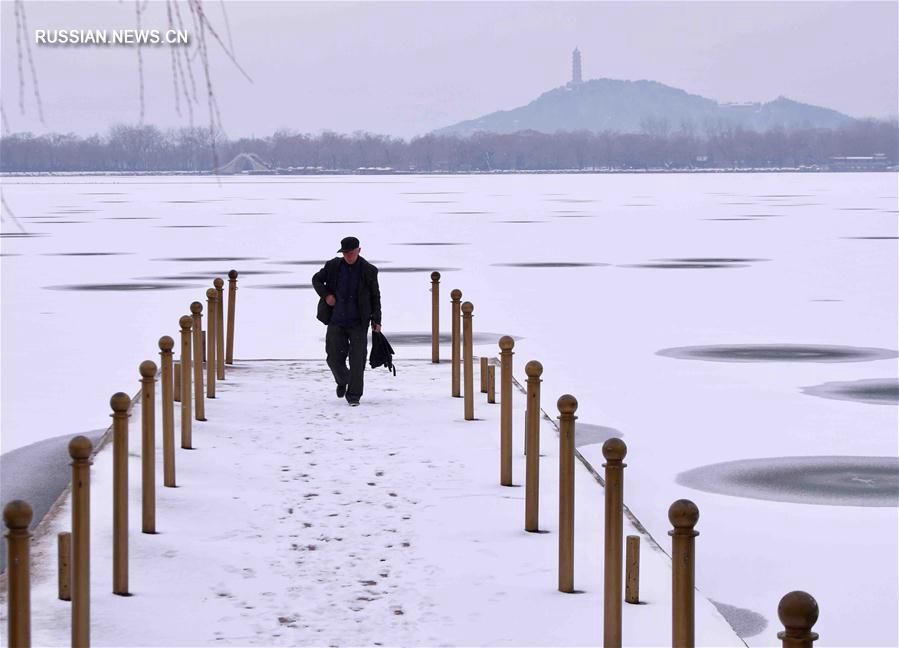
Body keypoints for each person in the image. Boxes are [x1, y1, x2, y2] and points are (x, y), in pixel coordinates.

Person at [312, 236, 382, 406]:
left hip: (359, 322)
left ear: (359, 250)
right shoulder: (333, 266)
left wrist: (377, 319)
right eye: (345, 253)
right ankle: (343, 379)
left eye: (351, 252)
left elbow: (375, 296)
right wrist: (327, 295)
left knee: (357, 359)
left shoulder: (369, 270)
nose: (348, 256)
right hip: (336, 320)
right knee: (333, 357)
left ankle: (354, 396)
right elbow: (316, 279)